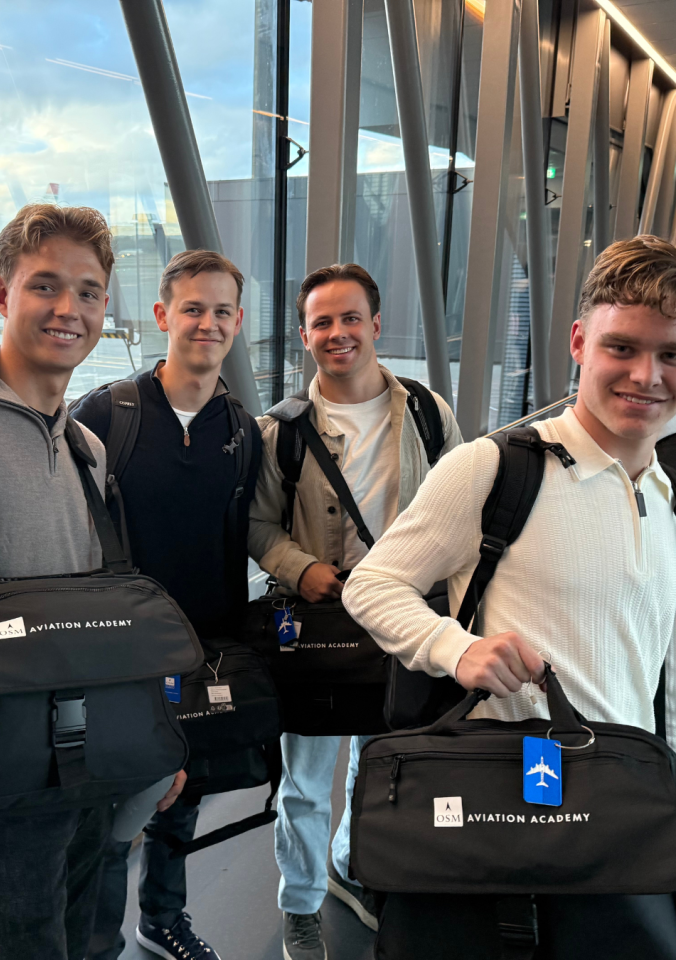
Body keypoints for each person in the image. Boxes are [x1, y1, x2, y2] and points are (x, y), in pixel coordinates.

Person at [342, 235, 676, 960]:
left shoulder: (664, 494)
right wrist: (456, 650)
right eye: (624, 348)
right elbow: (373, 584)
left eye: (671, 355)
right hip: (506, 810)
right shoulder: (493, 468)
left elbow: (656, 665)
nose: (647, 376)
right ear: (580, 342)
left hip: (617, 818)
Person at [0, 203, 183, 960]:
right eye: (46, 287)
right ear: (1, 295)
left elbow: (109, 621)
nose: (70, 310)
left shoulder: (87, 445)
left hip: (90, 761)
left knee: (94, 941)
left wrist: (154, 741)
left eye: (90, 292)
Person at [248, 263, 462, 960]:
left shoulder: (429, 413)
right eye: (321, 322)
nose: (336, 334)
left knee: (381, 766)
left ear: (375, 323)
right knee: (304, 781)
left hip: (402, 626)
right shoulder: (280, 431)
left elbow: (463, 511)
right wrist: (299, 567)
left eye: (349, 319)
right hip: (318, 630)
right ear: (305, 334)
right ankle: (301, 902)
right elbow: (257, 526)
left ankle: (348, 866)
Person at [74, 249, 262, 960]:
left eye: (221, 312)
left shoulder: (242, 432)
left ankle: (163, 918)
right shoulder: (107, 414)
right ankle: (95, 941)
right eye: (193, 308)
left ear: (238, 323)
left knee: (183, 795)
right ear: (162, 316)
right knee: (109, 809)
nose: (207, 323)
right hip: (119, 654)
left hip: (201, 648)